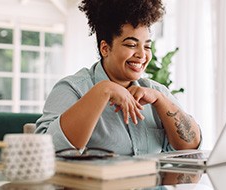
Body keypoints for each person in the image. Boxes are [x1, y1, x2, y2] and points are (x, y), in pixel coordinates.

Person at [35, 0, 202, 155]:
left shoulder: (156, 92)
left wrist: (160, 100)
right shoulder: (72, 89)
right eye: (131, 45)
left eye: (147, 46)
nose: (142, 55)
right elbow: (46, 150)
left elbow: (191, 146)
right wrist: (103, 90)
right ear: (105, 48)